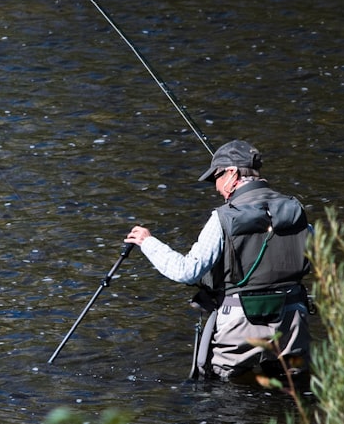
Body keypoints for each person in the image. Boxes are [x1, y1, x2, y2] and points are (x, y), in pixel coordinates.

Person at [123, 140, 312, 381]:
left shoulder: (223, 218)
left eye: (216, 178)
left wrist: (148, 242)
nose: (216, 188)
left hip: (240, 324)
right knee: (292, 394)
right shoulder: (295, 210)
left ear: (232, 173)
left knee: (224, 398)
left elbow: (187, 271)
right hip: (293, 323)